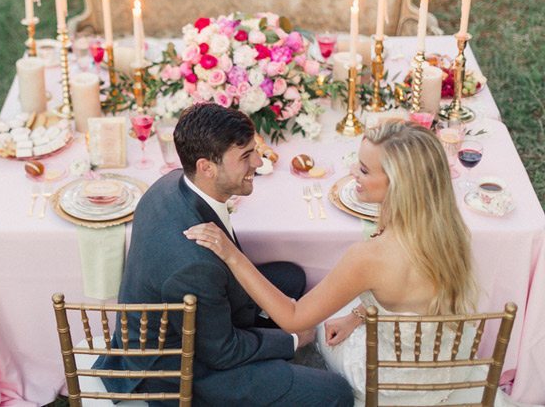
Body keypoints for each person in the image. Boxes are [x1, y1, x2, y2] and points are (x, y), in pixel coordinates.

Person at [186, 119, 524, 406]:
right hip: (448, 364)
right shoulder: (451, 229)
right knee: (341, 307)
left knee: (317, 322)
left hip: (392, 380)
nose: (352, 173)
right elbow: (413, 301)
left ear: (398, 183)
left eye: (363, 169)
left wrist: (232, 255)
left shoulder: (369, 258)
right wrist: (358, 314)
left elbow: (292, 318)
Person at [95, 103, 353, 406]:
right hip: (186, 368)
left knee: (291, 276)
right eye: (245, 156)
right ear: (206, 167)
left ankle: (271, 345)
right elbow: (222, 351)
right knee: (335, 392)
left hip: (201, 315)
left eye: (254, 150)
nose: (258, 161)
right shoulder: (192, 265)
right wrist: (295, 338)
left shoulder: (173, 182)